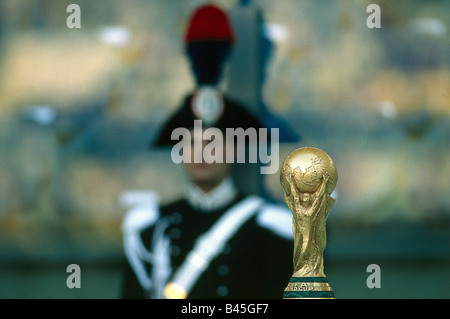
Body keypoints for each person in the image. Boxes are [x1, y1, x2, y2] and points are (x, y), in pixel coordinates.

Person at [120, 3, 293, 299]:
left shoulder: (267, 227)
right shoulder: (150, 226)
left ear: (235, 148)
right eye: (192, 143)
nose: (202, 153)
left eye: (213, 143)